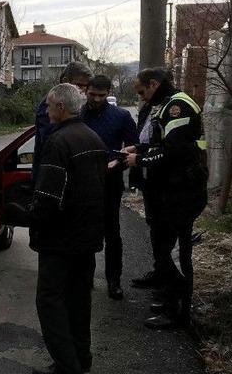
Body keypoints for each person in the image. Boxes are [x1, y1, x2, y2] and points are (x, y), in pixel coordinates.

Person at [10, 83, 108, 374]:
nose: (47, 111)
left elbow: (49, 198)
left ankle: (67, 365)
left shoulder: (58, 142)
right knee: (79, 300)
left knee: (50, 301)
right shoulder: (93, 137)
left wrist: (31, 220)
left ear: (60, 108)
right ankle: (81, 357)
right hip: (87, 238)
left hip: (60, 240)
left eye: (49, 106)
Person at [124, 67, 207, 329]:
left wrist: (139, 159)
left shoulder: (177, 106)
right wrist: (138, 148)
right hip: (171, 190)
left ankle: (178, 312)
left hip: (183, 191)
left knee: (175, 252)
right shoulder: (166, 105)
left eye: (142, 91)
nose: (142, 98)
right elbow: (161, 144)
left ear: (153, 84)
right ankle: (169, 298)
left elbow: (173, 152)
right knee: (164, 247)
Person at [81, 75, 139, 300]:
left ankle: (114, 280)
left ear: (108, 93)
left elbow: (133, 150)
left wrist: (119, 162)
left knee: (112, 233)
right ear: (86, 91)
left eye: (101, 95)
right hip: (82, 182)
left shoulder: (121, 116)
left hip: (110, 182)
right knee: (84, 231)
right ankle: (86, 277)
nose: (95, 99)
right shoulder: (78, 113)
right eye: (92, 94)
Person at [33, 61, 93, 181]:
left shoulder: (78, 105)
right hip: (52, 176)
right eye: (79, 85)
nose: (83, 91)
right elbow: (52, 144)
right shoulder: (50, 106)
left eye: (86, 87)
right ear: (65, 81)